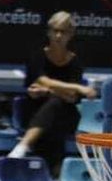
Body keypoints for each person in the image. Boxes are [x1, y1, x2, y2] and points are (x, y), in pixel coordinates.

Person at [9, 11, 97, 170]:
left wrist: (48, 91)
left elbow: (70, 98)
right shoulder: (37, 57)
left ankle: (23, 145)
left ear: (70, 35)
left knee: (56, 105)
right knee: (53, 112)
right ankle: (54, 174)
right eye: (55, 30)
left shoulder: (75, 62)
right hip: (35, 111)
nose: (58, 36)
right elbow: (43, 81)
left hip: (66, 114)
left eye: (63, 32)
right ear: (48, 32)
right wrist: (78, 87)